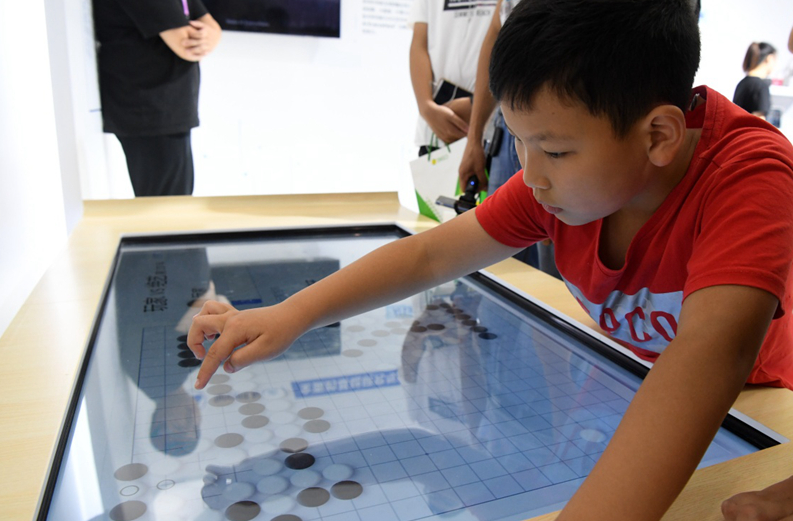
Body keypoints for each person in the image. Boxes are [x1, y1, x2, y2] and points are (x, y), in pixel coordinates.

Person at [188, 1, 793, 520]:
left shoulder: (749, 179)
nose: (530, 174)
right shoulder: (563, 185)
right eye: (518, 140)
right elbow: (428, 256)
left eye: (554, 150)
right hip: (648, 369)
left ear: (658, 135)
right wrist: (291, 315)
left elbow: (710, 357)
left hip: (768, 387)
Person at [92, 0, 222, 196]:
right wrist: (205, 37)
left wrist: (210, 35)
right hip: (148, 107)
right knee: (165, 205)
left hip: (164, 107)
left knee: (173, 202)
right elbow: (186, 44)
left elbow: (212, 26)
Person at [408, 0, 495, 156]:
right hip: (438, 125)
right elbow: (419, 42)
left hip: (497, 128)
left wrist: (480, 105)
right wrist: (426, 106)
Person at [733, 42, 777, 120]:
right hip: (751, 128)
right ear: (769, 58)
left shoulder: (742, 83)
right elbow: (759, 119)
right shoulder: (761, 86)